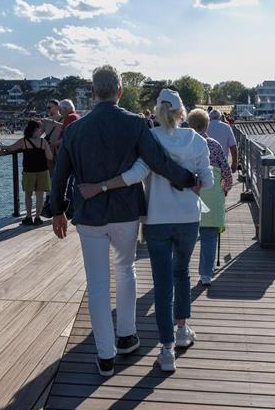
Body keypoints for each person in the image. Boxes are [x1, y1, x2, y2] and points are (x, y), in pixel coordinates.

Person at [50, 65, 198, 377]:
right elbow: (157, 161)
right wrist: (188, 179)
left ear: (93, 92)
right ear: (119, 92)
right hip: (125, 213)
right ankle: (127, 335)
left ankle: (105, 354)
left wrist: (58, 210)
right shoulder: (134, 124)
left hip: (89, 216)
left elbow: (60, 172)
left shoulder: (74, 130)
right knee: (126, 269)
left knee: (98, 283)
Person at [79, 89, 213, 372]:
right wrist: (192, 186)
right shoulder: (198, 140)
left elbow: (134, 175)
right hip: (189, 218)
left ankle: (166, 352)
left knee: (162, 282)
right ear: (181, 113)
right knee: (182, 273)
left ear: (157, 111)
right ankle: (182, 331)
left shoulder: (150, 138)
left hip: (157, 221)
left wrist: (101, 187)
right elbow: (208, 182)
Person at [186, 108, 232, 286]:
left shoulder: (185, 145)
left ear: (189, 125)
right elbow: (226, 172)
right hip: (212, 194)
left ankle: (180, 271)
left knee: (185, 237)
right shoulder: (214, 145)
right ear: (206, 126)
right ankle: (206, 274)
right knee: (209, 237)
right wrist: (225, 188)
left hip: (189, 194)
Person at [0, 119, 53, 225]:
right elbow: (50, 157)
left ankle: (28, 217)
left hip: (29, 171)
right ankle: (37, 218)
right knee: (40, 196)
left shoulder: (23, 141)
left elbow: (10, 148)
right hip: (42, 171)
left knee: (28, 195)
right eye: (40, 128)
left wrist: (1, 146)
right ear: (36, 129)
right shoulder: (43, 142)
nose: (42, 130)